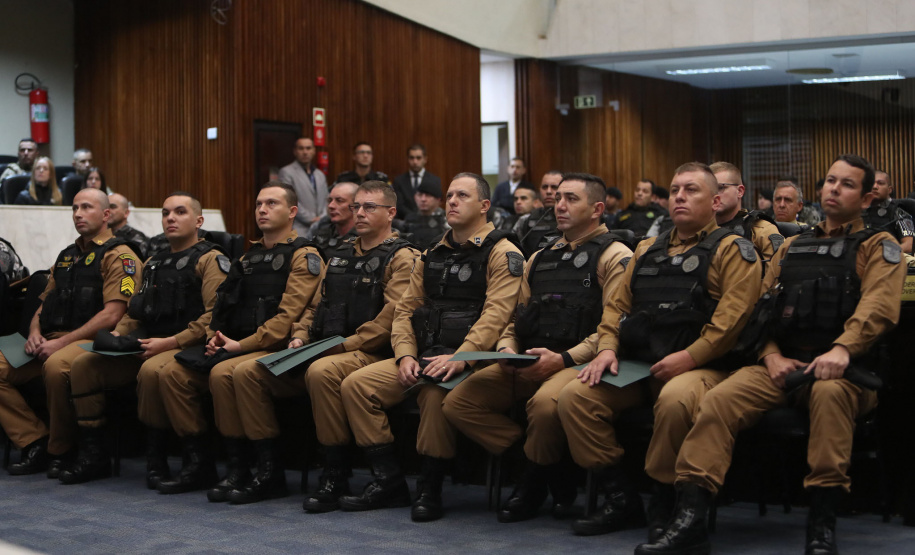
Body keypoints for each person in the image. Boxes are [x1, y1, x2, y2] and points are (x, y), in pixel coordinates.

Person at [639, 155, 905, 555]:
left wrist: (841, 349)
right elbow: (761, 310)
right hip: (781, 364)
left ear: (866, 199)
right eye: (829, 180)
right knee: (718, 401)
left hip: (842, 370)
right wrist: (769, 355)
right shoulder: (793, 247)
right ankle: (691, 518)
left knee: (830, 397)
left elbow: (878, 311)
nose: (834, 189)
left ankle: (821, 524)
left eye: (847, 184)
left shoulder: (878, 246)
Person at [560, 162, 761, 538]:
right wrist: (607, 349)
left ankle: (666, 498)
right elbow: (616, 309)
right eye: (674, 190)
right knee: (575, 397)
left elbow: (730, 324)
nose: (680, 196)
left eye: (691, 190)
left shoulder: (734, 250)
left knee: (674, 399)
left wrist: (689, 358)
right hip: (642, 363)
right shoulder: (647, 249)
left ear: (717, 201)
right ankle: (620, 496)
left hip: (705, 365)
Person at [443, 173, 633, 522]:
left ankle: (531, 483)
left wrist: (563, 359)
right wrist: (505, 348)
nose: (559, 205)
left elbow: (613, 326)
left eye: (571, 199)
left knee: (545, 406)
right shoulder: (541, 256)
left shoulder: (616, 255)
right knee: (459, 402)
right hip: (528, 359)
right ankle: (545, 467)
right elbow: (515, 319)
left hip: (578, 363)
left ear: (598, 209)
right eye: (558, 197)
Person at [337, 172, 524, 522]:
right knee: (356, 385)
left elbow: (497, 314)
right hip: (426, 354)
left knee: (435, 393)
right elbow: (405, 310)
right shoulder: (431, 254)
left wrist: (462, 357)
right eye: (450, 195)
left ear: (484, 206)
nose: (451, 201)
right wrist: (405, 354)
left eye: (462, 196)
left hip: (475, 359)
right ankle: (389, 479)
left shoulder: (503, 251)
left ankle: (430, 486)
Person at [251, 181, 418, 511]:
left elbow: (390, 320)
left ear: (391, 213)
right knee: (251, 372)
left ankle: (343, 472)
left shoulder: (403, 258)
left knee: (321, 371)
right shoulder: (340, 255)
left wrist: (338, 347)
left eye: (370, 207)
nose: (360, 213)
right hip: (328, 346)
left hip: (373, 350)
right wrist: (300, 336)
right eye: (356, 207)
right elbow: (315, 306)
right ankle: (264, 469)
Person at [152, 181, 321, 496]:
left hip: (281, 349)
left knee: (229, 371)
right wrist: (215, 337)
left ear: (293, 212)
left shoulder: (304, 255)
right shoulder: (249, 257)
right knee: (174, 373)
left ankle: (268, 472)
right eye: (259, 204)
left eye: (272, 204)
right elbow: (223, 306)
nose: (262, 210)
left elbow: (286, 320)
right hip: (239, 344)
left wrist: (239, 346)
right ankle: (214, 464)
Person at [58, 192, 228, 486]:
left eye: (179, 212)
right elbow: (135, 312)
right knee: (85, 364)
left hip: (190, 347)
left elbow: (213, 318)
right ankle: (93, 453)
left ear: (198, 220)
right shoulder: (152, 261)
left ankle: (177, 459)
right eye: (165, 213)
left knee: (152, 371)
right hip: (148, 346)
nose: (170, 218)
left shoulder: (211, 259)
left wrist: (170, 342)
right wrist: (118, 334)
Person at [1, 188, 142, 476]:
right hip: (51, 339)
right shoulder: (67, 256)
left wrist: (61, 343)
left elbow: (113, 315)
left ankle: (61, 449)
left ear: (106, 215)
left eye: (86, 207)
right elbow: (45, 303)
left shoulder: (120, 256)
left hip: (93, 343)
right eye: (75, 208)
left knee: (55, 366)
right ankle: (33, 440)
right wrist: (34, 332)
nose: (78, 213)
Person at [710, 161, 783, 262]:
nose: (715, 195)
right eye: (710, 189)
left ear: (739, 191)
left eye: (721, 188)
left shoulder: (761, 230)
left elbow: (776, 274)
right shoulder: (698, 229)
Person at [278, 137, 328, 236]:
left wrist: (322, 218)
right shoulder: (286, 172)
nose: (305, 152)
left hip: (321, 227)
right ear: (295, 151)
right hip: (299, 227)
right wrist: (311, 219)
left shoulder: (320, 174)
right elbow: (289, 200)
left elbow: (326, 199)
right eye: (301, 148)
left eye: (308, 148)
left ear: (313, 151)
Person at [513, 171, 563, 257]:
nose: (548, 191)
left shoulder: (575, 219)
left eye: (554, 187)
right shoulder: (526, 220)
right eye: (544, 187)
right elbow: (513, 250)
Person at [863, 170, 914, 253]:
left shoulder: (898, 211)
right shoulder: (860, 211)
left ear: (889, 190)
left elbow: (909, 245)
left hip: (889, 260)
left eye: (880, 183)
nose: (875, 187)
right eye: (872, 183)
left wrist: (884, 253)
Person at [392, 144, 441, 218]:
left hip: (429, 221)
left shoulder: (435, 180)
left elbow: (435, 203)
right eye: (412, 158)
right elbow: (399, 205)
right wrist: (414, 217)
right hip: (406, 222)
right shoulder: (398, 181)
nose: (415, 161)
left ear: (425, 159)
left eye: (418, 158)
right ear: (408, 159)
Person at [399, 180, 449, 250]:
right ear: (415, 197)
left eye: (428, 195)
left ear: (438, 199)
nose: (423, 199)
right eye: (420, 195)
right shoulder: (409, 218)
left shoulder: (446, 219)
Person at [307, 182, 359, 249]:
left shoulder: (366, 237)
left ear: (356, 206)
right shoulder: (318, 230)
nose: (330, 205)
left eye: (339, 200)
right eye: (329, 200)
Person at [108, 193, 149, 258]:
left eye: (112, 207)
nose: (108, 211)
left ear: (126, 213)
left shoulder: (137, 238)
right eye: (106, 207)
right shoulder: (100, 235)